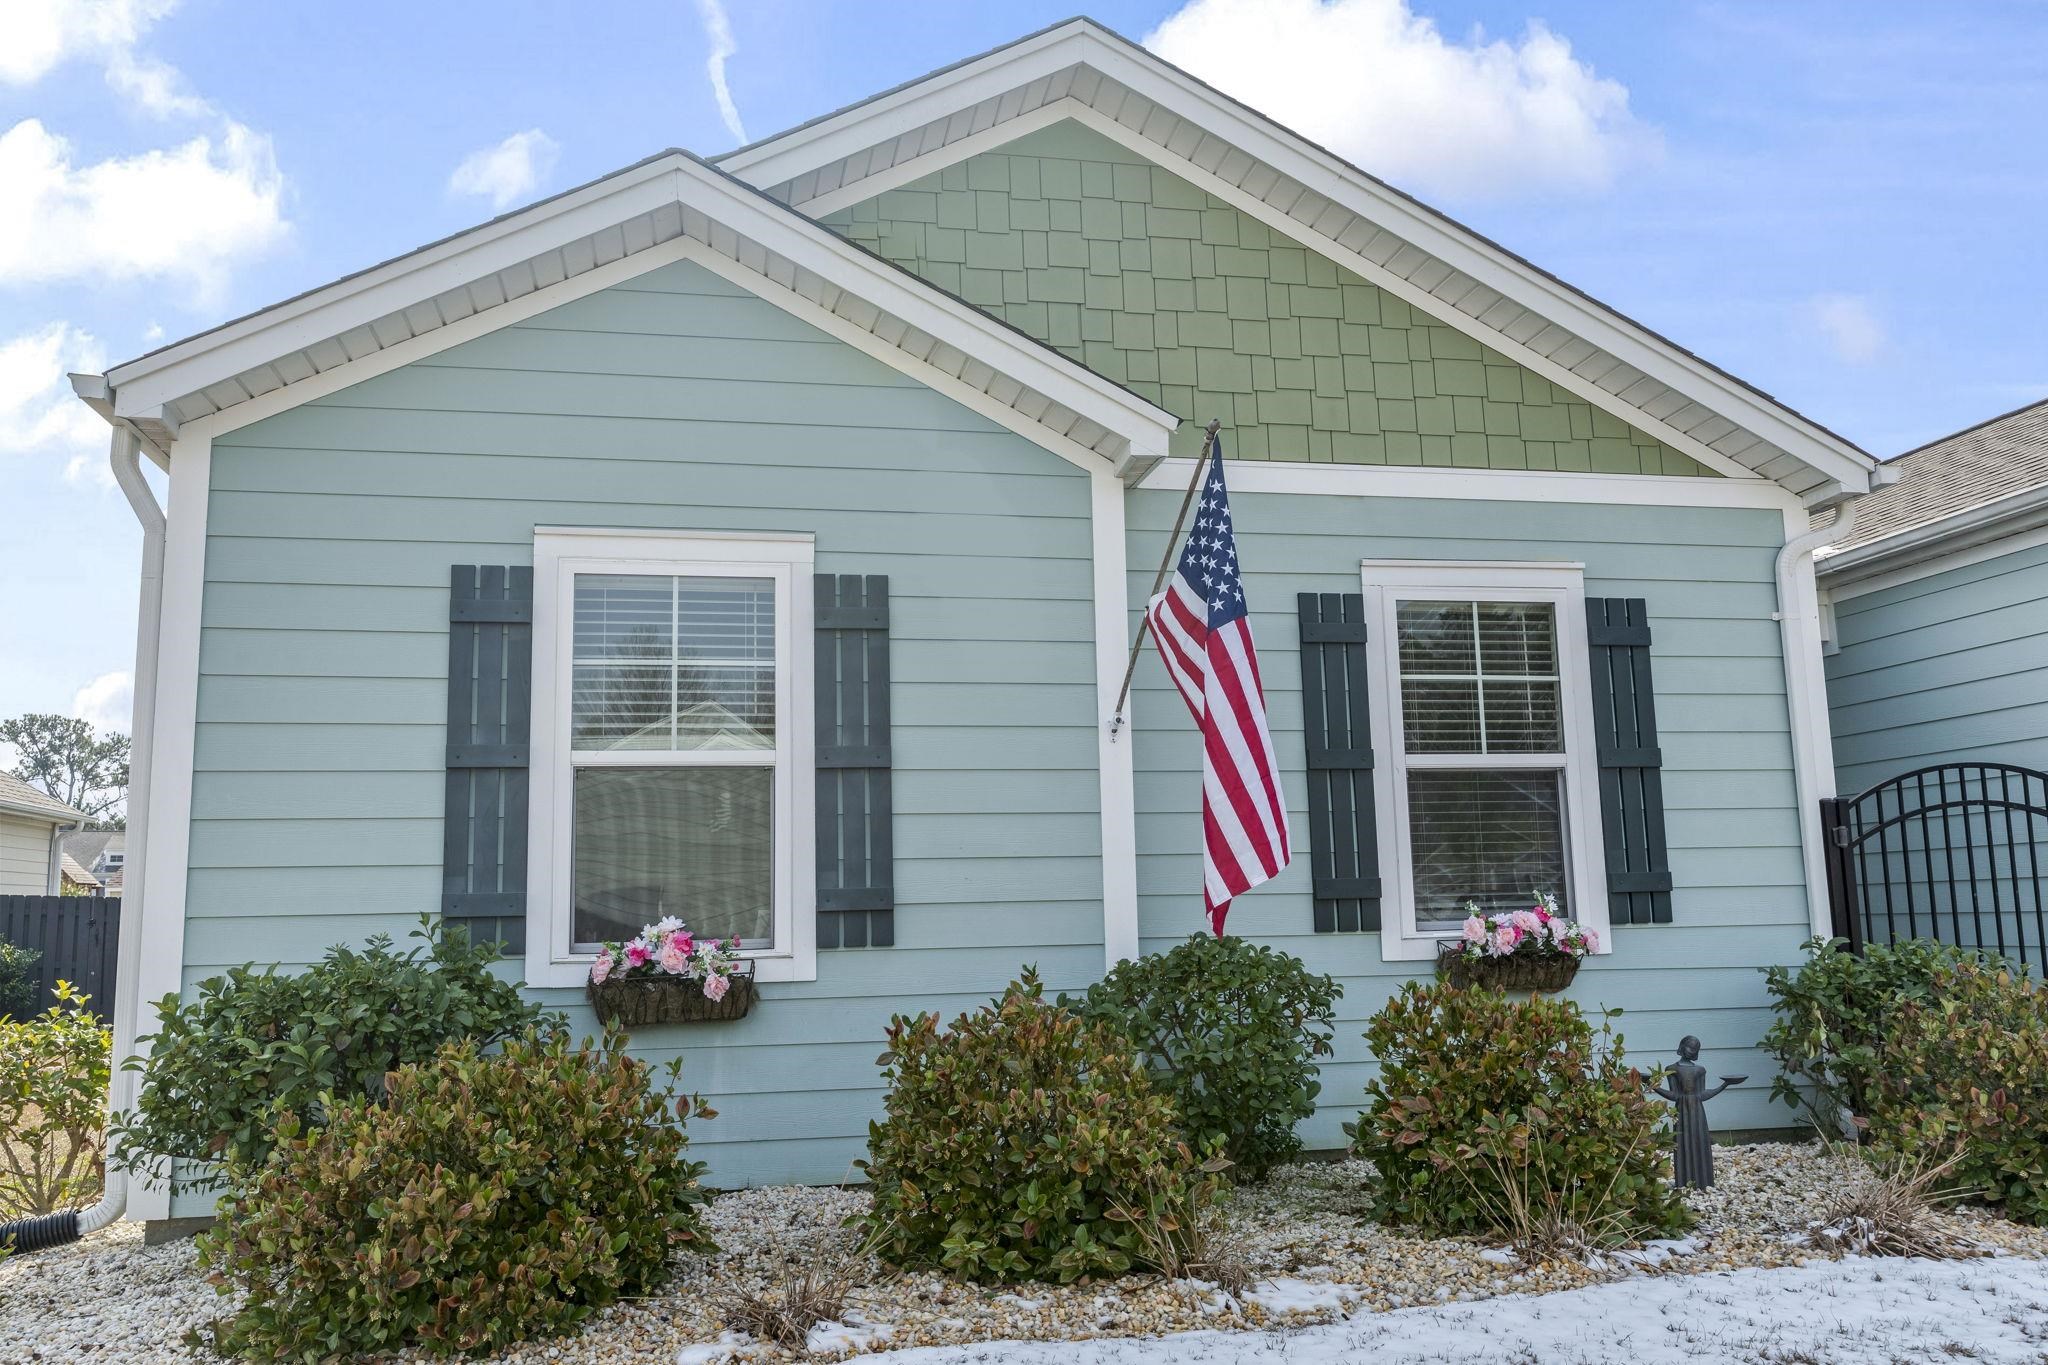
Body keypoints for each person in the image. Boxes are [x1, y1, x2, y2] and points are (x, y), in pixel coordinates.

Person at [1649, 1036, 1746, 1189]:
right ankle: (1683, 1181)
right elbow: (1675, 1095)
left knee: (1700, 1140)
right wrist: (1653, 1086)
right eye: (1690, 1047)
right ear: (1682, 1047)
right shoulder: (1671, 1069)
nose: (1692, 1051)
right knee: (1681, 1142)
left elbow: (1701, 1094)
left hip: (1698, 1112)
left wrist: (1724, 1085)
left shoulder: (1700, 1070)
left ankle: (1703, 1181)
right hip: (1681, 1110)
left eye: (1696, 1049)